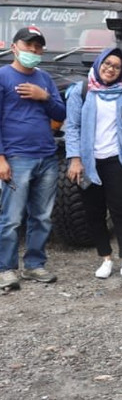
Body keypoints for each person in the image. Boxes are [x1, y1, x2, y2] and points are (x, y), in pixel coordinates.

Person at [64, 48, 122, 283]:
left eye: (116, 67)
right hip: (88, 162)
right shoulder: (81, 90)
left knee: (121, 210)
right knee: (94, 212)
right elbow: (72, 127)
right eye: (107, 64)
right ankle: (106, 258)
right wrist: (75, 159)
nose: (111, 69)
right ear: (99, 64)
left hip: (116, 159)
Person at [0, 26, 66, 290]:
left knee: (42, 216)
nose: (33, 50)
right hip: (17, 157)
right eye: (28, 45)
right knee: (12, 218)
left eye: (38, 46)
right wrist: (1, 158)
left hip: (46, 156)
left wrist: (44, 96)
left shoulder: (45, 78)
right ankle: (6, 269)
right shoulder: (3, 76)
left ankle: (34, 265)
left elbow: (60, 113)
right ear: (14, 47)